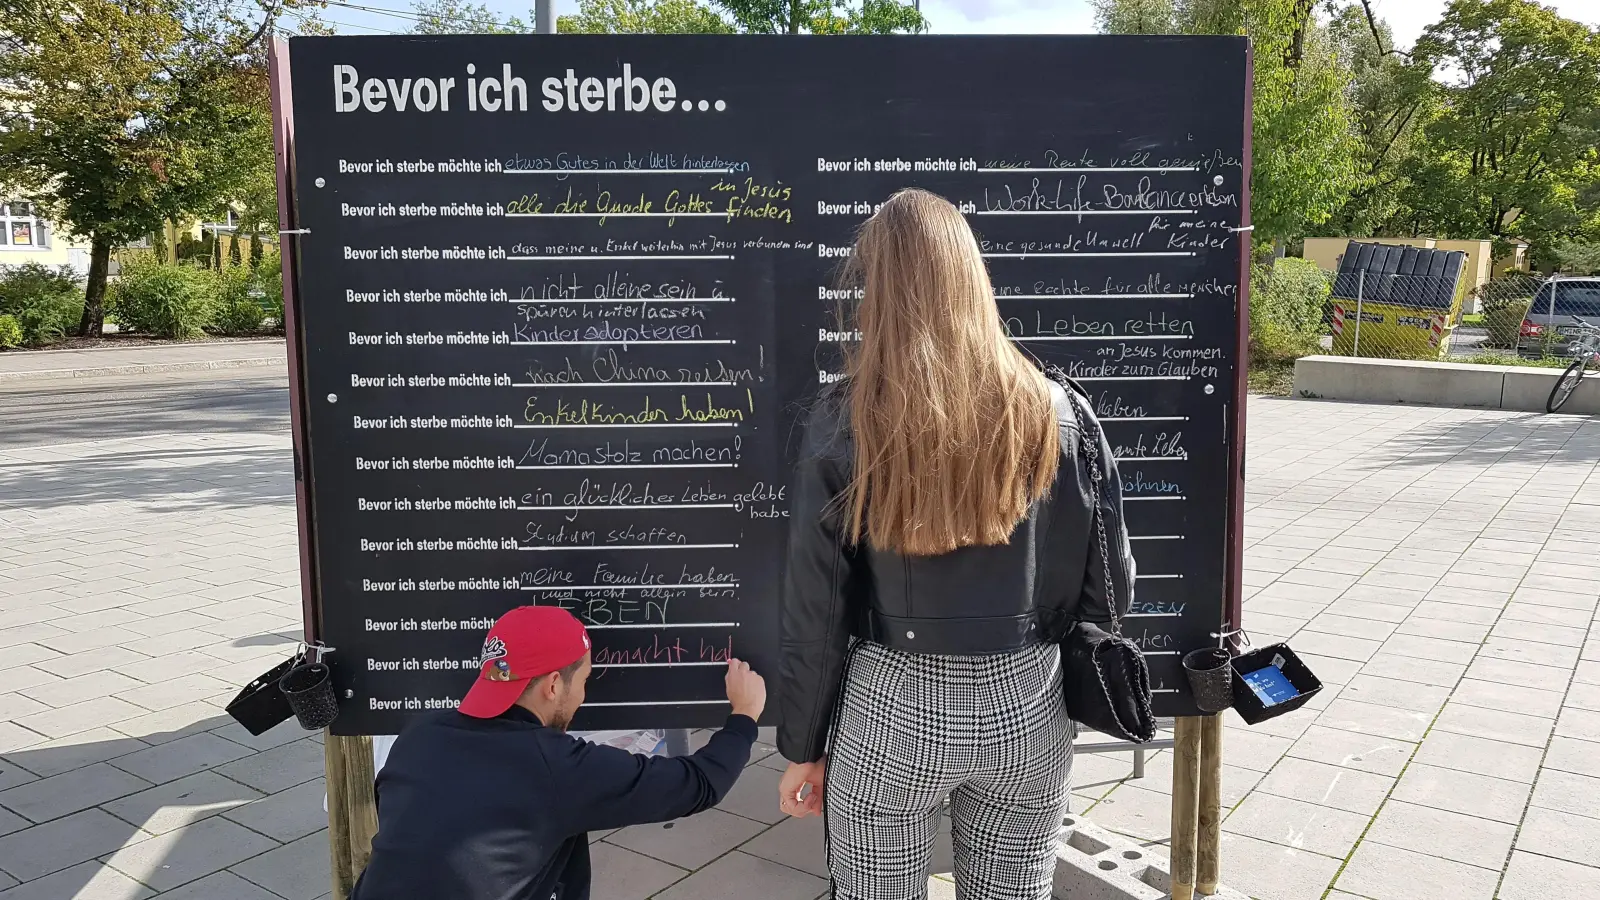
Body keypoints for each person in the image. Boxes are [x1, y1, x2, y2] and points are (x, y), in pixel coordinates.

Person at [774, 188, 1134, 900]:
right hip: (1029, 702)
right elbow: (1113, 590)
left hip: (890, 707)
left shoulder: (845, 419)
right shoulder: (1061, 410)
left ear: (876, 285)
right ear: (974, 278)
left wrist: (802, 750)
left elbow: (816, 611)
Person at [350, 605, 767, 900]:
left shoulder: (419, 735)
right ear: (553, 685)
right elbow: (700, 783)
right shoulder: (556, 767)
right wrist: (745, 716)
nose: (584, 694)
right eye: (583, 679)